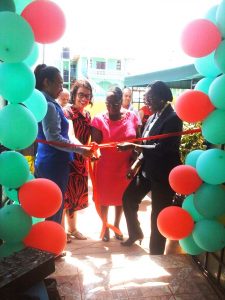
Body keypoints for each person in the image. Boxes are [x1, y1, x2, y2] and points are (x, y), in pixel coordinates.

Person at [118, 81, 183, 255]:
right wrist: (135, 164)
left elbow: (162, 148)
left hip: (163, 175)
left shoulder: (173, 118)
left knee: (157, 216)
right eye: (146, 98)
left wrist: (132, 146)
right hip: (146, 171)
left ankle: (156, 253)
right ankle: (135, 233)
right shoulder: (153, 116)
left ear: (162, 98)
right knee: (128, 199)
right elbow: (146, 144)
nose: (146, 101)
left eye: (150, 98)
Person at [34, 64, 93, 225]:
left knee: (49, 205)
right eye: (59, 83)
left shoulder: (43, 102)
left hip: (48, 161)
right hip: (54, 164)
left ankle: (49, 242)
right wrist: (81, 150)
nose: (61, 87)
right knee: (54, 206)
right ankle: (50, 246)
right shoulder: (51, 106)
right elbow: (54, 137)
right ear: (47, 82)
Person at [91, 86, 140, 242]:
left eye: (115, 104)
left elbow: (139, 140)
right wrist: (94, 152)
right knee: (104, 198)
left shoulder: (132, 116)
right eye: (108, 103)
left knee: (121, 198)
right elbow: (94, 144)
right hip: (105, 166)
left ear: (122, 101)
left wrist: (135, 156)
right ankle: (105, 226)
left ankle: (116, 226)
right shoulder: (98, 119)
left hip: (125, 166)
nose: (111, 107)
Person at [62, 80, 93, 241]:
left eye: (87, 95)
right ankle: (63, 232)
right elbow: (70, 135)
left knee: (75, 197)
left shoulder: (87, 115)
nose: (84, 98)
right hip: (68, 159)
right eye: (81, 94)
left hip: (82, 159)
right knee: (65, 196)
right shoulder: (66, 112)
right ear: (74, 94)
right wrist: (83, 150)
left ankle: (73, 229)